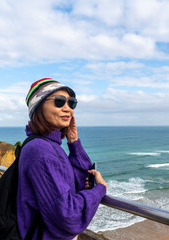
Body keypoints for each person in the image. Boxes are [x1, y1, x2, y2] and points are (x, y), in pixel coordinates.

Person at [17, 78, 107, 240]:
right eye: (59, 102)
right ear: (38, 108)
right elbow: (68, 215)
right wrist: (100, 189)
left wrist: (73, 142)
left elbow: (81, 182)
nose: (68, 109)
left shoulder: (50, 145)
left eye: (71, 103)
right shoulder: (40, 150)